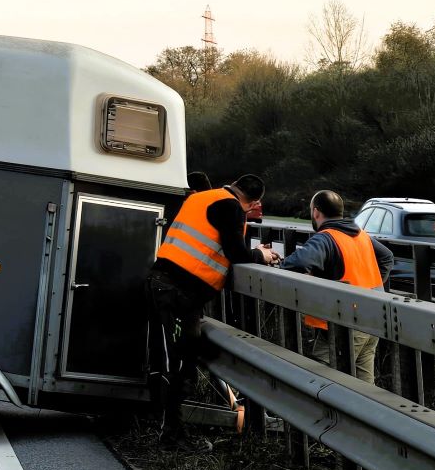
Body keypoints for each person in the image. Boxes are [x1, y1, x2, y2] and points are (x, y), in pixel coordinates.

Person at [145, 174, 279, 439]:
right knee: (181, 362)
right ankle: (171, 435)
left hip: (162, 283)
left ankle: (163, 424)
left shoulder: (202, 198)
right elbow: (236, 253)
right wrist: (260, 255)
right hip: (179, 293)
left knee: (167, 357)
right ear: (254, 203)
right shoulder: (231, 206)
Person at [279, 190, 393, 384]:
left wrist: (279, 263)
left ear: (316, 212)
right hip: (372, 317)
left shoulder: (325, 238)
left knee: (320, 381)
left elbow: (298, 263)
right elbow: (387, 257)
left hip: (345, 322)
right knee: (363, 384)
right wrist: (367, 289)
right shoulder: (361, 234)